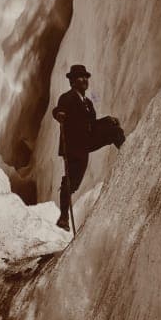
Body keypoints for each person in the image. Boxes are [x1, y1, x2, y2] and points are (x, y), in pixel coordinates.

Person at [52, 64, 124, 231]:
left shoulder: (88, 102)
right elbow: (58, 110)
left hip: (86, 141)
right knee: (72, 181)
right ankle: (63, 217)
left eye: (85, 77)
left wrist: (108, 120)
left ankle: (128, 152)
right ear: (72, 81)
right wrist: (59, 115)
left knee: (114, 131)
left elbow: (92, 125)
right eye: (80, 77)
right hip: (74, 146)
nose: (84, 80)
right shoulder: (67, 97)